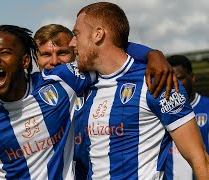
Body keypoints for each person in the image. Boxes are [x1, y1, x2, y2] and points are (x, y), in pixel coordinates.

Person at [0, 23, 180, 179]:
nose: (54, 61)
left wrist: (152, 54)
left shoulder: (101, 86)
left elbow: (115, 49)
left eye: (62, 53)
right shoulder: (26, 105)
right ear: (32, 60)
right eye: (46, 54)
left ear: (76, 52)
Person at [68, 2, 209, 179]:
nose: (71, 43)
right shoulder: (83, 82)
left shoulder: (156, 80)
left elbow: (199, 159)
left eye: (76, 34)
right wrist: (153, 53)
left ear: (98, 34)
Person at [164, 55, 209, 180]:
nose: (174, 83)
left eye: (179, 78)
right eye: (169, 79)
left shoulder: (207, 107)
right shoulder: (160, 112)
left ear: (193, 77)